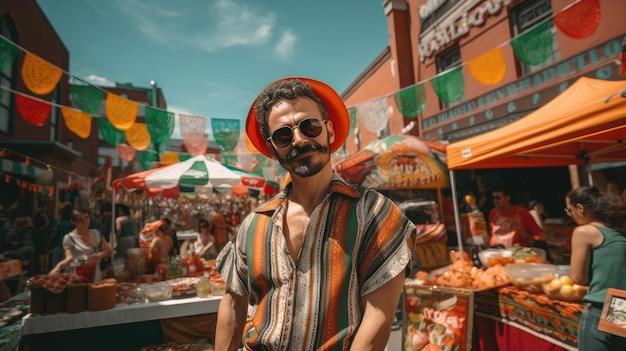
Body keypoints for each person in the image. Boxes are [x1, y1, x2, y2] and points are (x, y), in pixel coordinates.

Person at [215, 77, 415, 350]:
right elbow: (233, 303)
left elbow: (377, 322)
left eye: (309, 126)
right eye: (284, 135)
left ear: (329, 132)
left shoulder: (376, 214)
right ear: (273, 150)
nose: (298, 139)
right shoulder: (254, 223)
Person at [565, 186, 626, 350]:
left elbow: (579, 278)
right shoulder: (619, 231)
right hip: (620, 304)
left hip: (600, 306)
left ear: (580, 208)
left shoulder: (584, 232)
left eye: (569, 210)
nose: (570, 216)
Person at [49, 208, 111, 281]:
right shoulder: (69, 237)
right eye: (80, 220)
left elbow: (107, 251)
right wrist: (58, 266)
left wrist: (99, 256)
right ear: (73, 222)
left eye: (86, 217)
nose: (85, 221)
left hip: (95, 275)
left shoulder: (96, 233)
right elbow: (69, 258)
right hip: (76, 277)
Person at [49, 204, 74, 270]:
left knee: (55, 268)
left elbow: (54, 235)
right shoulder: (72, 224)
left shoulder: (59, 223)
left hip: (59, 246)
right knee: (67, 269)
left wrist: (49, 245)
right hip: (69, 248)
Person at [33, 202, 54, 274]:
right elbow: (49, 223)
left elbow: (47, 223)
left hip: (40, 235)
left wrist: (39, 229)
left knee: (41, 252)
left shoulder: (38, 215)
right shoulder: (47, 215)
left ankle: (42, 268)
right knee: (45, 251)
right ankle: (45, 268)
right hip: (46, 235)